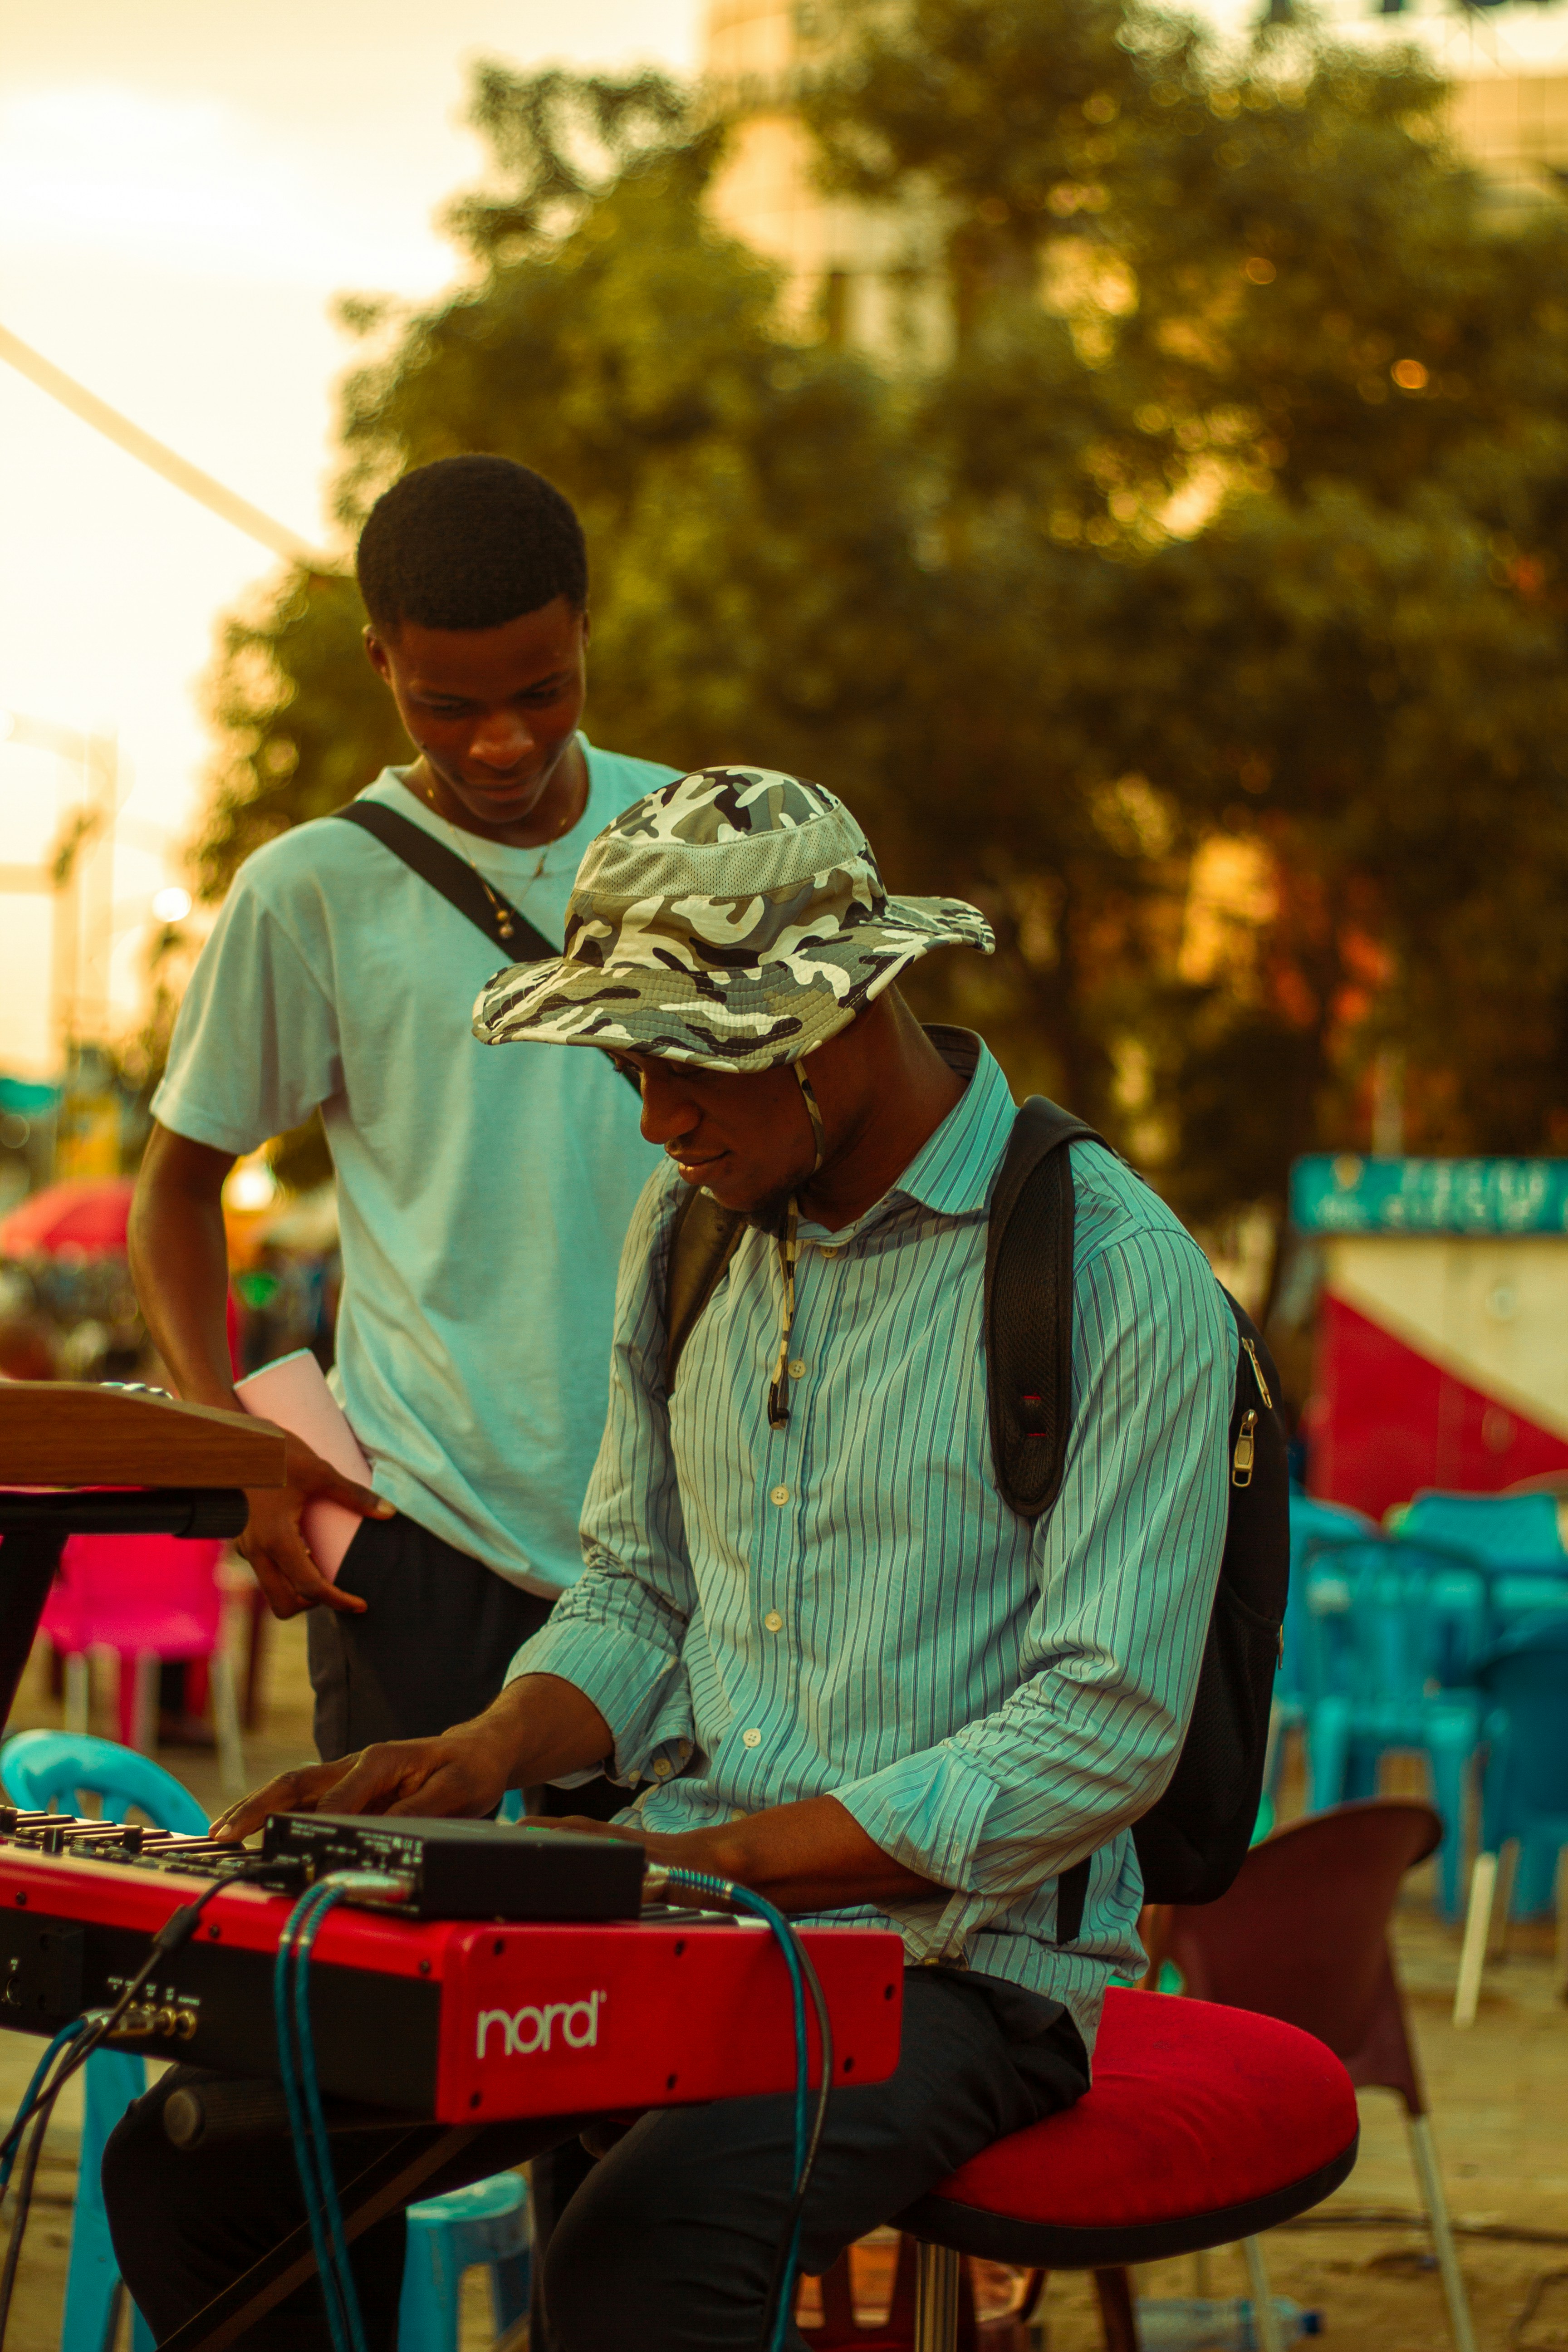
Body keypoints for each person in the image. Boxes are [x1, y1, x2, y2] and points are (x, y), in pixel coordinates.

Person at [106, 769, 1235, 2352]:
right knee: (202, 2160)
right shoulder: (689, 1229)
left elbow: (1102, 1730)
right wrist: (482, 1753)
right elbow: (638, 1591)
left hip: (963, 1973)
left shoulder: (1110, 1271)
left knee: (641, 2254)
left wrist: (717, 1863)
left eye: (682, 1063)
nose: (654, 1116)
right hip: (681, 1925)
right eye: (631, 1067)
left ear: (836, 1018)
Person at [128, 455, 676, 1760]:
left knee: (666, 1933)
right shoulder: (310, 893)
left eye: (543, 693)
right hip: (420, 1530)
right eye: (449, 706)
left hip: (688, 1528)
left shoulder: (685, 840)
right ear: (381, 664)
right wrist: (229, 1437)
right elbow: (173, 1192)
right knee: (401, 1937)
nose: (502, 742)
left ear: (587, 630)